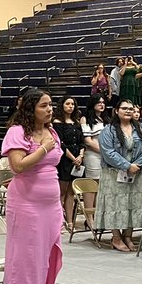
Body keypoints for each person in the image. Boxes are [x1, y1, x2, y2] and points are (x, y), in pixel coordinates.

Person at [0, 89, 64, 284]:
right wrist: (43, 149)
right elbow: (17, 166)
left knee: (45, 256)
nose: (50, 109)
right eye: (44, 106)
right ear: (30, 109)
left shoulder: (51, 131)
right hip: (26, 203)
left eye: (50, 105)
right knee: (26, 255)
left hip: (51, 204)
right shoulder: (17, 132)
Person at [96, 100, 142, 252]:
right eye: (124, 108)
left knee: (133, 203)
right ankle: (116, 237)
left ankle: (128, 236)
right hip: (114, 173)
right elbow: (108, 152)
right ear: (116, 110)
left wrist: (137, 165)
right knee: (115, 204)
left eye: (131, 109)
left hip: (138, 172)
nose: (128, 111)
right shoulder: (108, 130)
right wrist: (127, 166)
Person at [52, 96, 84, 230]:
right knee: (62, 192)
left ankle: (70, 221)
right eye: (68, 104)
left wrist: (81, 155)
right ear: (62, 106)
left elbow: (82, 141)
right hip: (65, 159)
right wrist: (73, 158)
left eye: (72, 104)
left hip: (78, 159)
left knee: (72, 193)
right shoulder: (57, 122)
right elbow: (61, 144)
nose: (70, 106)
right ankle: (59, 221)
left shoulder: (76, 122)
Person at [80, 95, 107, 223]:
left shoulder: (106, 119)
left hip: (106, 156)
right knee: (92, 185)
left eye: (103, 102)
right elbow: (88, 141)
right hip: (92, 155)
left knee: (101, 185)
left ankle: (97, 214)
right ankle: (89, 217)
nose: (102, 104)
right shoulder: (85, 119)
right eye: (99, 102)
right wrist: (105, 152)